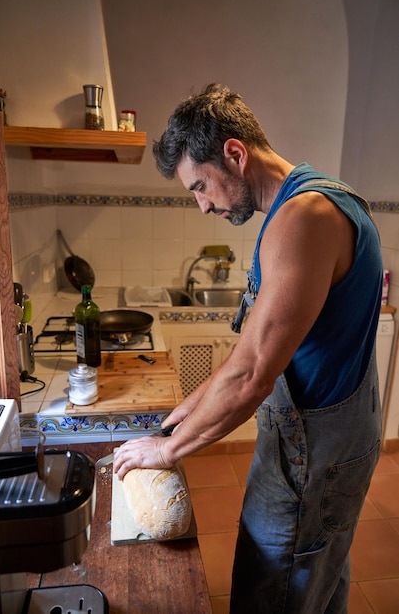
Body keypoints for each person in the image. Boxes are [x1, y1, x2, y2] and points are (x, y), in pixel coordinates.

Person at [113, 83, 383, 613]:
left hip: (314, 457)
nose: (202, 205)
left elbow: (254, 374)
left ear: (234, 154)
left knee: (276, 591)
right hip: (324, 448)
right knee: (317, 587)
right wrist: (179, 417)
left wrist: (167, 450)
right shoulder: (309, 202)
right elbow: (248, 358)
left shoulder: (303, 218)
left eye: (199, 187)